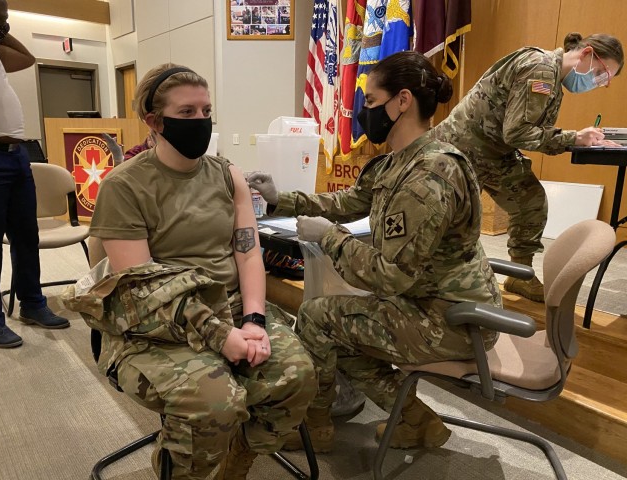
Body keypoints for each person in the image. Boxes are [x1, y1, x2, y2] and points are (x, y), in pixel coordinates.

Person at [248, 51, 501, 453]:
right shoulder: (401, 161)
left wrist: (329, 237)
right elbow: (350, 201)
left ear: (403, 101)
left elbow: (390, 275)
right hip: (432, 303)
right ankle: (415, 420)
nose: (363, 113)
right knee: (337, 320)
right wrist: (282, 199)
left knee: (318, 317)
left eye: (369, 101)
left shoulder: (428, 175)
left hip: (453, 319)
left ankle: (315, 430)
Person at [88, 64, 316, 479]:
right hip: (155, 323)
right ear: (155, 121)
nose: (201, 122)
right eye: (187, 112)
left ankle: (236, 461)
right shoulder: (124, 186)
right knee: (215, 403)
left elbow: (248, 255)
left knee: (298, 376)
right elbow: (145, 290)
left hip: (229, 308)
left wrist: (254, 320)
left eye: (206, 111)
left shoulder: (227, 176)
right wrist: (220, 335)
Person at [434, 32, 624, 302]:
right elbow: (518, 133)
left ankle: (519, 275)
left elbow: (525, 130)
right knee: (454, 220)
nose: (597, 83)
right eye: (601, 75)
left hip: (494, 150)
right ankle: (433, 280)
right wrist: (573, 138)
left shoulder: (553, 76)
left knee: (530, 201)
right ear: (586, 54)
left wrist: (579, 140)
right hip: (462, 148)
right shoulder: (541, 69)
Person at [0, 0, 70, 349]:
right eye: (0, 7)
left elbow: (27, 58)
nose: (6, 8)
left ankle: (32, 304)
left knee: (26, 236)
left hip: (16, 155)